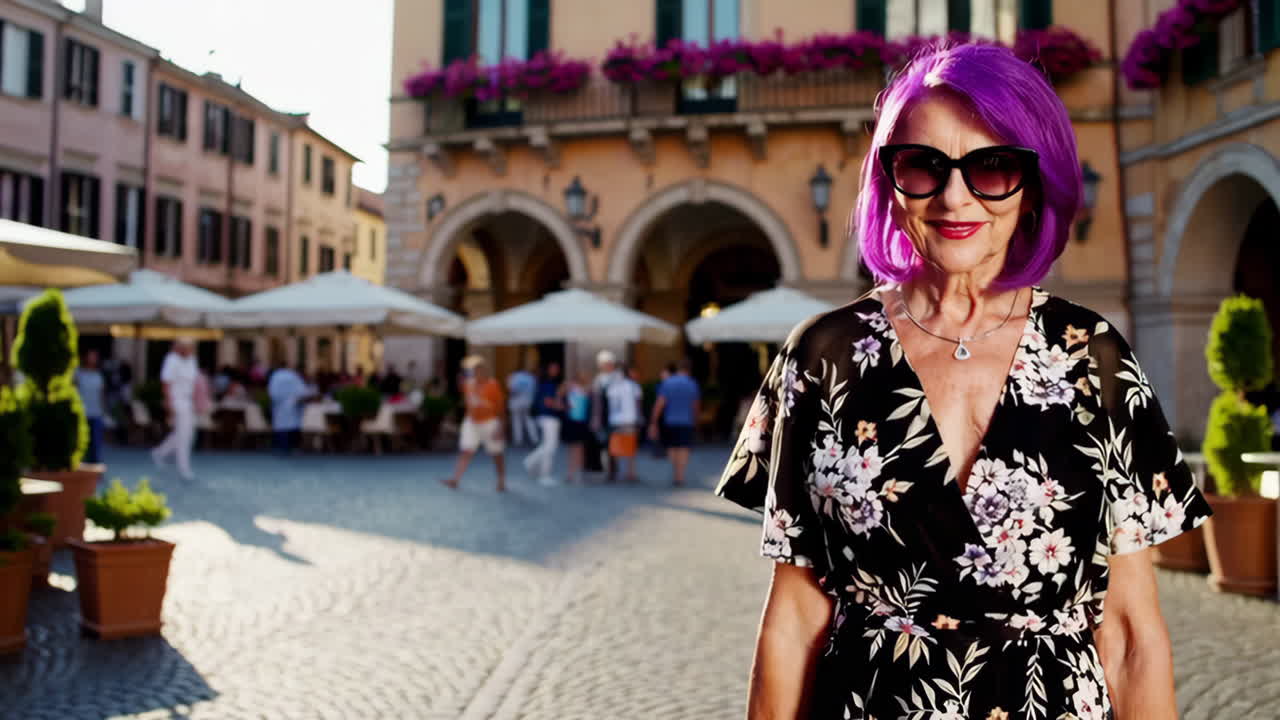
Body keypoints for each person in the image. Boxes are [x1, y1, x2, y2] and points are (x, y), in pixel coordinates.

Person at [714, 43, 1213, 720]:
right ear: (890, 180)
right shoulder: (822, 359)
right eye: (923, 166)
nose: (955, 197)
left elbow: (1129, 632)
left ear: (1035, 183)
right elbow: (794, 617)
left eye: (993, 167)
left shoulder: (1092, 358)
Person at [442, 355, 506, 492]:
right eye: (475, 371)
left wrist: (500, 427)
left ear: (485, 371)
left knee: (496, 453)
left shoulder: (493, 385)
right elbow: (462, 390)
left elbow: (501, 407)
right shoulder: (469, 384)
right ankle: (456, 479)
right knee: (466, 450)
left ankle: (501, 480)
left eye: (480, 370)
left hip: (489, 422)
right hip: (471, 422)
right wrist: (459, 378)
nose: (478, 374)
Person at [152, 337, 200, 480]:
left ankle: (159, 453)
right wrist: (168, 404)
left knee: (185, 434)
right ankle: (183, 468)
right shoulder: (171, 360)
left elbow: (194, 383)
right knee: (184, 436)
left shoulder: (192, 360)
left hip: (188, 401)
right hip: (177, 401)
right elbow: (166, 384)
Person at [649, 358, 700, 486]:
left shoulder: (668, 383)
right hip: (686, 421)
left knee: (672, 447)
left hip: (670, 420)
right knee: (684, 447)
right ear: (689, 370)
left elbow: (660, 403)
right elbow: (695, 405)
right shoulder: (692, 384)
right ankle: (680, 475)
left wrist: (653, 421)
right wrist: (696, 419)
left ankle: (675, 471)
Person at [523, 362, 564, 486]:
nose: (555, 371)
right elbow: (548, 402)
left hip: (548, 417)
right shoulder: (548, 384)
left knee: (548, 445)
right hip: (548, 417)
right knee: (550, 445)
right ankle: (540, 470)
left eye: (557, 368)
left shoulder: (548, 383)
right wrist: (564, 407)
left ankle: (535, 466)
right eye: (553, 368)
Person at [605, 363, 644, 484]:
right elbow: (638, 404)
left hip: (616, 420)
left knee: (617, 447)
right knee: (630, 447)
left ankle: (616, 473)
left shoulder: (612, 386)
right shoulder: (633, 386)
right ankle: (630, 473)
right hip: (629, 419)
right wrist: (640, 418)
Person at [589, 350, 623, 479]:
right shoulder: (599, 378)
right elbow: (595, 400)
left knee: (613, 443)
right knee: (604, 443)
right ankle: (607, 469)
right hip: (602, 416)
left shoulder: (618, 377)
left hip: (614, 415)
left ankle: (613, 470)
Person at [268, 364, 313, 454]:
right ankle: (291, 447)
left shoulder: (276, 376)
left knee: (281, 426)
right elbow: (303, 392)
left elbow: (272, 393)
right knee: (291, 426)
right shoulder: (293, 376)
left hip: (279, 405)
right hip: (292, 405)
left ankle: (281, 447)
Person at [75, 350, 107, 464]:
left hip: (97, 413)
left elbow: (102, 394)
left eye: (95, 357)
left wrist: (103, 411)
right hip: (83, 412)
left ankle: (95, 466)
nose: (94, 359)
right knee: (82, 441)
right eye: (91, 356)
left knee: (96, 443)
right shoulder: (79, 373)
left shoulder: (99, 375)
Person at [561, 370, 592, 484]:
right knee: (572, 449)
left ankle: (578, 473)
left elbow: (588, 391)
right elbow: (560, 393)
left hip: (581, 422)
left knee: (579, 449)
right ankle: (570, 473)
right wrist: (567, 385)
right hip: (572, 421)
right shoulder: (571, 389)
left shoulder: (585, 390)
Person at [506, 364, 539, 447]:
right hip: (528, 401)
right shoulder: (530, 377)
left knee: (516, 421)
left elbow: (511, 389)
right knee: (529, 420)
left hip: (516, 401)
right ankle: (534, 439)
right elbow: (535, 390)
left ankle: (518, 440)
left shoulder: (513, 376)